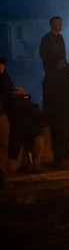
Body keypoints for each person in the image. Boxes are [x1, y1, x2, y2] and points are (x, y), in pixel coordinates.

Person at [44, 60, 69, 169]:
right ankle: (61, 158)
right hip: (59, 111)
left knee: (66, 134)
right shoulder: (56, 78)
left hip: (66, 111)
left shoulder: (62, 78)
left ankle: (66, 156)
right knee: (61, 135)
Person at [7, 87, 45, 174]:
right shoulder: (14, 104)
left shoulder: (24, 104)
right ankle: (32, 164)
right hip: (19, 135)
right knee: (11, 168)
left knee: (38, 141)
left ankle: (33, 164)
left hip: (27, 134)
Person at [0, 56, 14, 188]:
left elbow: (9, 88)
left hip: (1, 113)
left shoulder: (3, 75)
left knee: (3, 147)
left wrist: (3, 74)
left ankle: (3, 179)